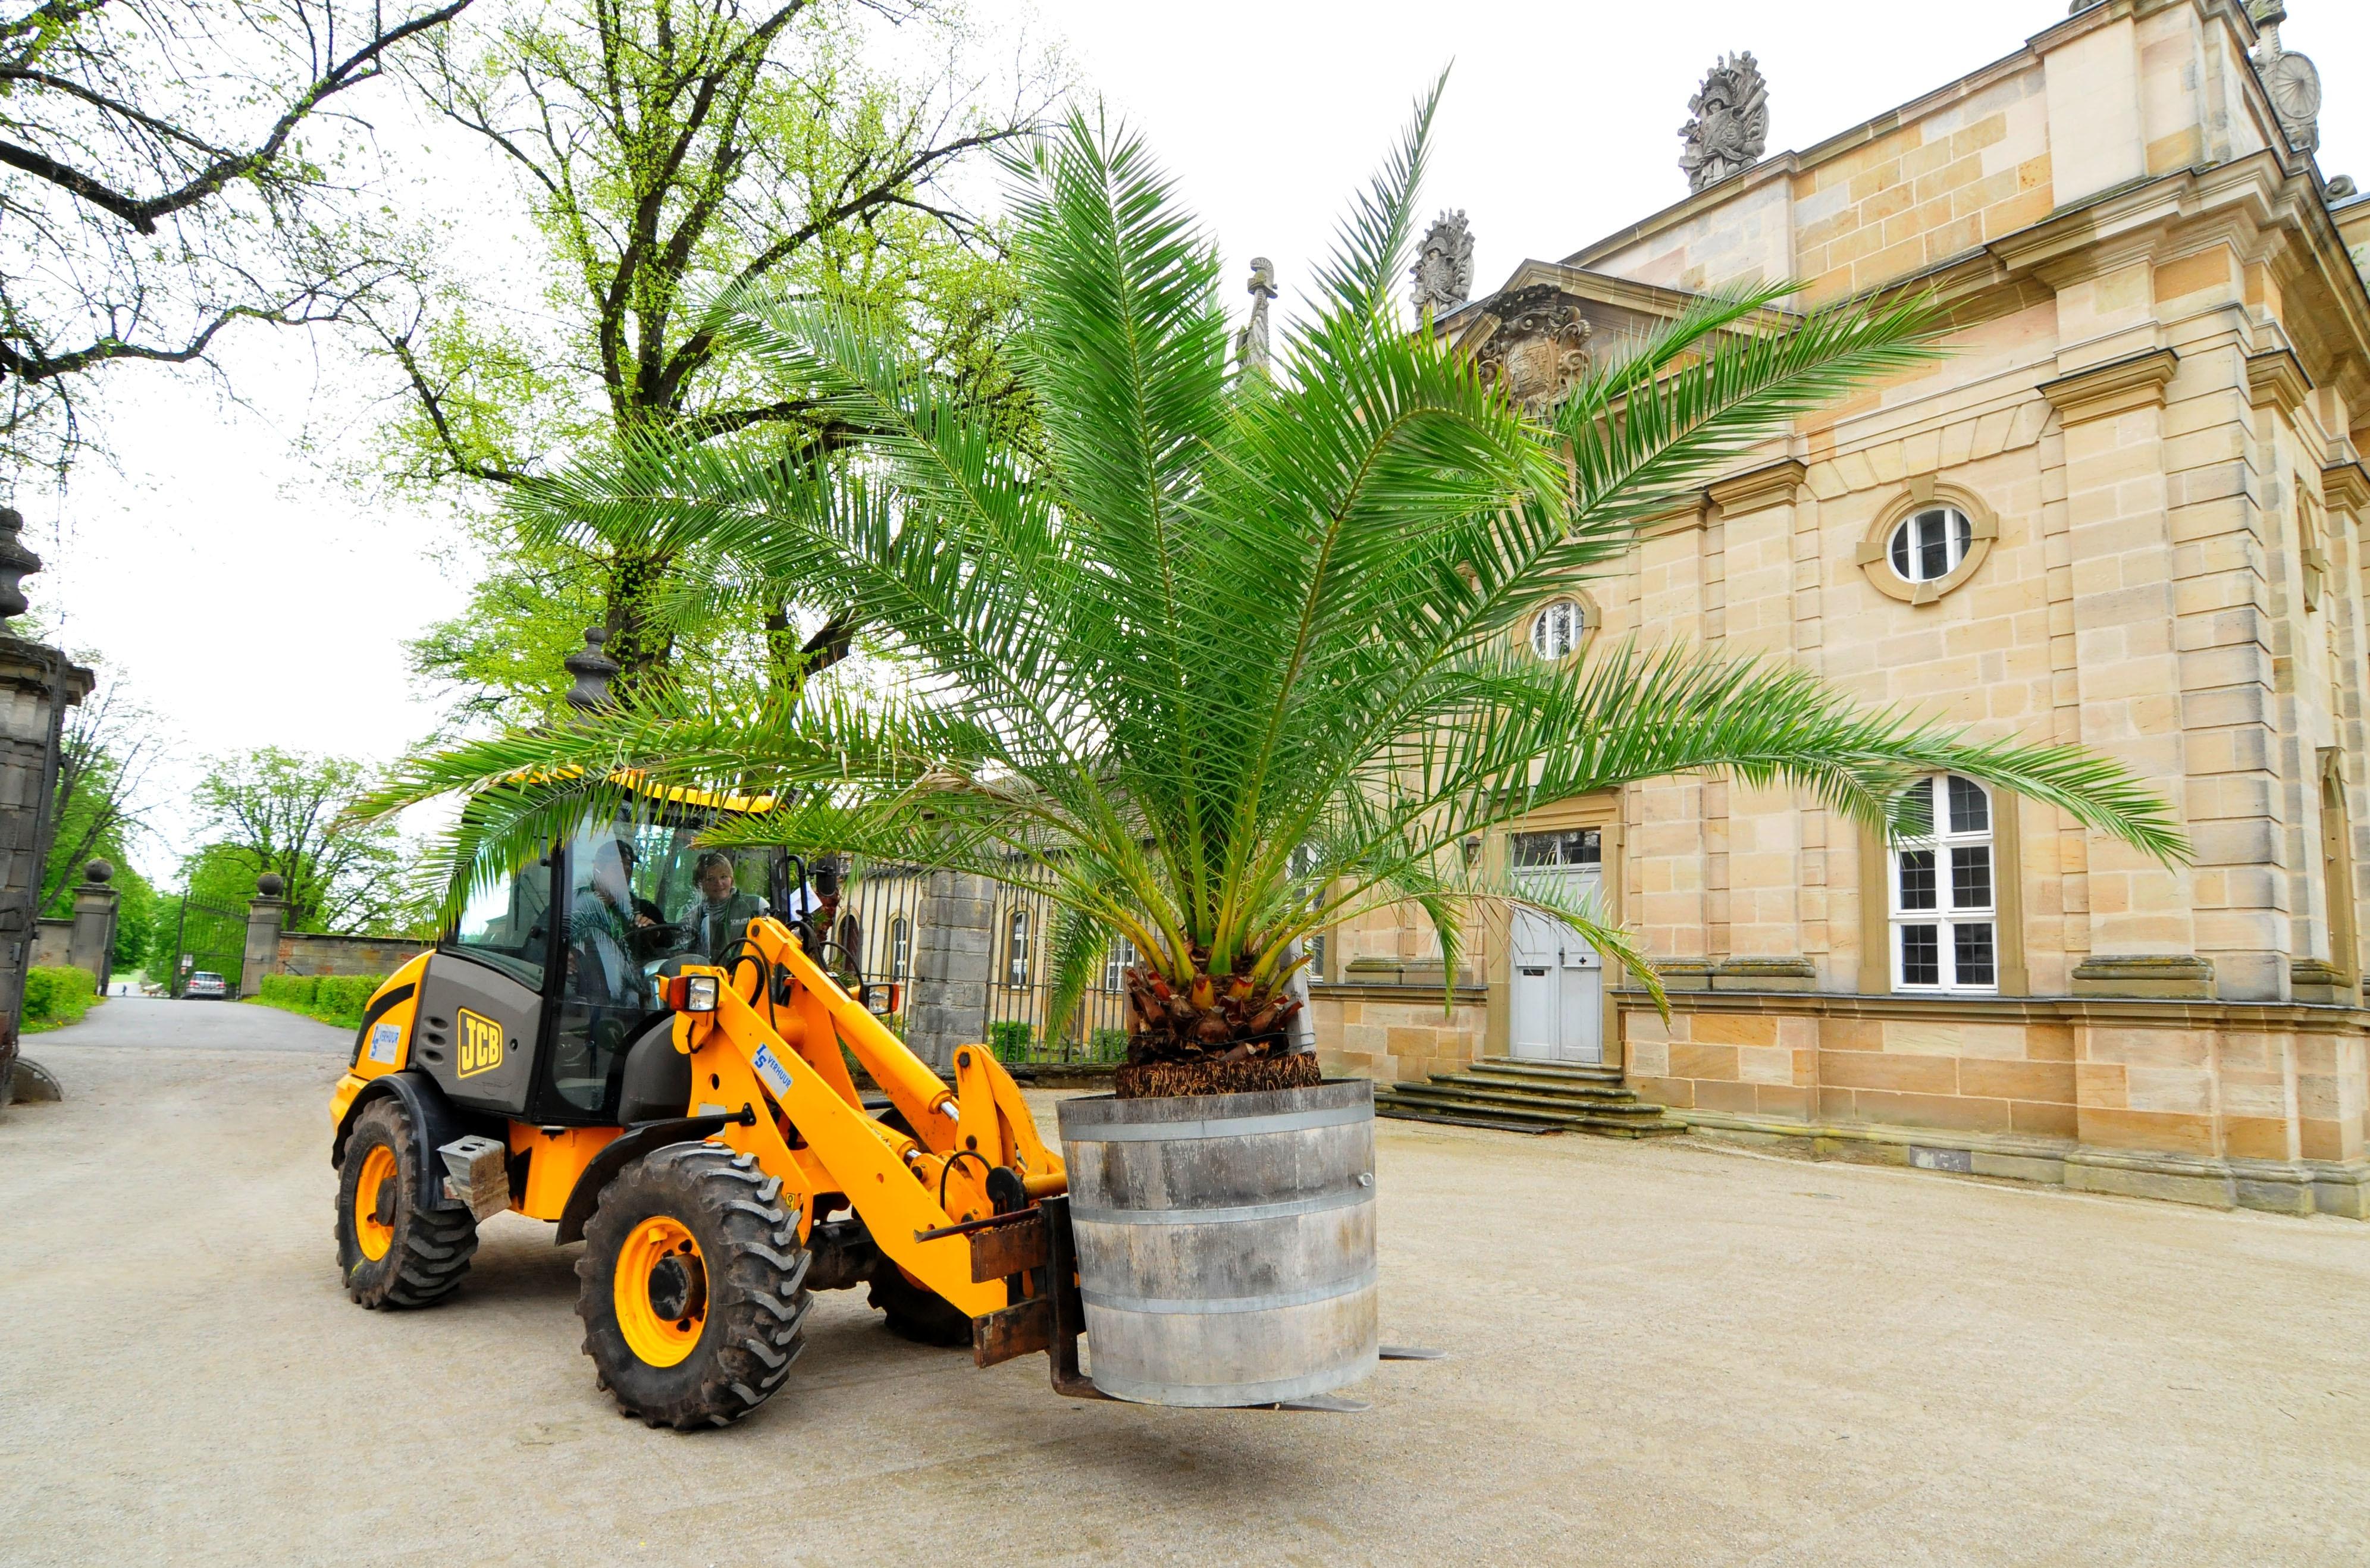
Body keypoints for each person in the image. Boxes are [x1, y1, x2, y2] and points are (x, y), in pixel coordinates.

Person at [569, 839, 663, 1004]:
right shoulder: (573, 903)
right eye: (619, 868)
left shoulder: (646, 909)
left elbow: (667, 953)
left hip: (634, 991)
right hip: (584, 989)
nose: (625, 875)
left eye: (629, 869)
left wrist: (653, 936)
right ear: (598, 868)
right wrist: (563, 956)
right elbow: (542, 942)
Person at [683, 851, 766, 963]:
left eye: (724, 877)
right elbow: (681, 951)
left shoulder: (756, 905)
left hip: (752, 976)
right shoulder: (694, 916)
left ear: (731, 880)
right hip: (707, 978)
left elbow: (779, 937)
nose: (719, 883)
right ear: (701, 884)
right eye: (711, 879)